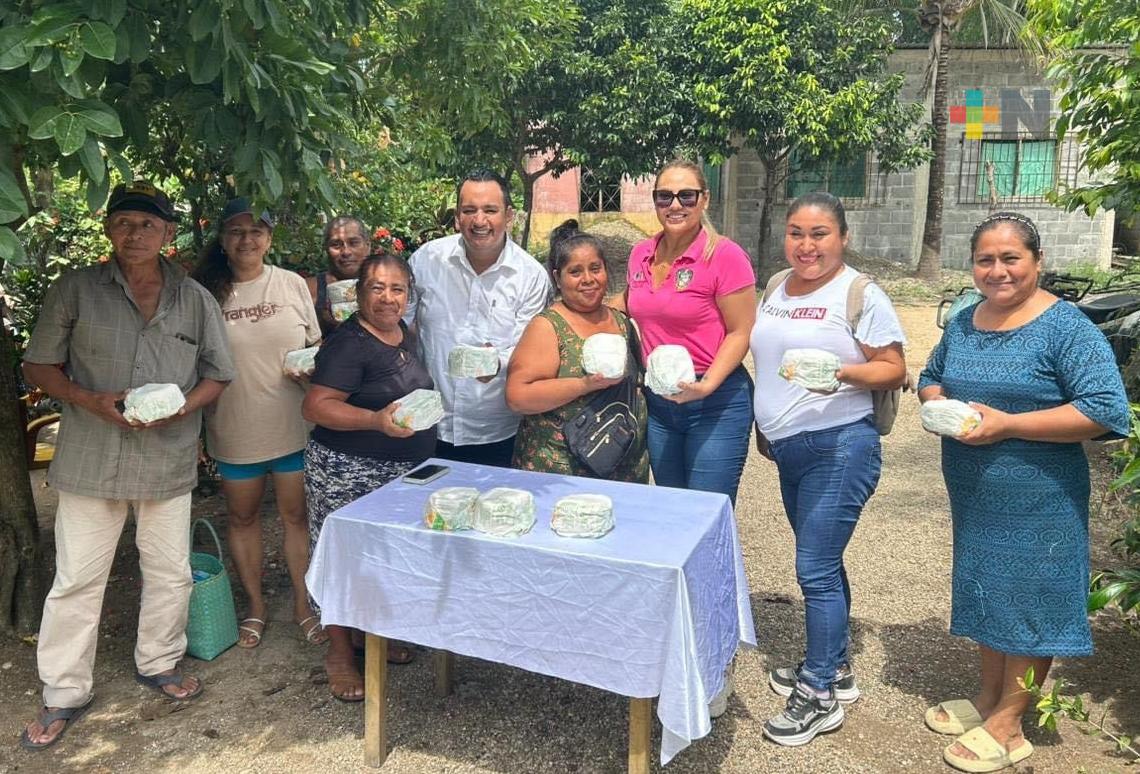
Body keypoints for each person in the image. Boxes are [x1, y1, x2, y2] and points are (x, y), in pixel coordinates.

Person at [19, 181, 235, 750]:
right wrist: (88, 399)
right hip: (92, 456)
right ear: (108, 229)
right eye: (123, 222)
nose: (134, 233)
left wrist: (182, 408)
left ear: (168, 233)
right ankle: (64, 690)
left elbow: (219, 374)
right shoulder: (75, 289)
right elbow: (38, 366)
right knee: (76, 580)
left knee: (169, 571)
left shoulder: (194, 299)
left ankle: (159, 661)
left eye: (148, 224)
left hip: (166, 457)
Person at [918, 212, 1129, 773]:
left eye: (1010, 258)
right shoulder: (965, 320)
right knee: (990, 589)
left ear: (1037, 261)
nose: (998, 271)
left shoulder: (1066, 328)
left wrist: (1009, 425)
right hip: (975, 492)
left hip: (1041, 496)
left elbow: (1105, 410)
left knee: (1032, 598)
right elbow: (931, 375)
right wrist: (938, 402)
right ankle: (990, 698)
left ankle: (1011, 724)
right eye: (985, 260)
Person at [750, 191, 907, 746]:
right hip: (789, 449)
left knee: (814, 568)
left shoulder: (860, 293)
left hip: (840, 446)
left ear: (842, 237)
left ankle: (818, 693)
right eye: (796, 232)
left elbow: (893, 369)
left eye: (819, 234)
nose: (806, 245)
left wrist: (839, 372)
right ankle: (835, 665)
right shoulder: (776, 286)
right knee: (823, 561)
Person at [192, 198, 325, 649]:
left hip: (292, 425)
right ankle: (256, 606)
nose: (246, 239)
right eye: (236, 231)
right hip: (234, 427)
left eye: (256, 231)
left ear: (269, 238)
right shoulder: (203, 293)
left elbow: (315, 346)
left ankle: (303, 605)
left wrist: (310, 368)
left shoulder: (291, 284)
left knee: (296, 517)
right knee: (242, 517)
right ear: (222, 239)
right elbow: (192, 362)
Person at [302, 253, 436, 701]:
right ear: (358, 292)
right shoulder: (348, 343)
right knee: (343, 559)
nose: (387, 297)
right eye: (377, 287)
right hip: (348, 472)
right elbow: (316, 406)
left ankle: (370, 636)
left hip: (398, 474)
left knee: (381, 560)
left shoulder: (402, 332)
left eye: (397, 289)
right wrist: (375, 421)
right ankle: (340, 652)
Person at [617, 159, 756, 504]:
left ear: (704, 199)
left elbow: (741, 332)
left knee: (705, 510)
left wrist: (706, 385)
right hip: (660, 402)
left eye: (686, 196)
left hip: (714, 400)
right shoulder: (641, 254)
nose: (675, 205)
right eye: (664, 196)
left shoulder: (725, 256)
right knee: (673, 510)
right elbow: (626, 303)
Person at [407, 169, 552, 468]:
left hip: (496, 430)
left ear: (509, 216)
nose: (479, 220)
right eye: (469, 210)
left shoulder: (530, 276)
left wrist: (498, 362)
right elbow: (397, 324)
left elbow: (532, 350)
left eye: (490, 210)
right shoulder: (426, 261)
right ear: (457, 217)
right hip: (429, 423)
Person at [505, 220, 648, 482]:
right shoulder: (547, 327)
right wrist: (584, 385)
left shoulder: (621, 321)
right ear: (557, 278)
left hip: (624, 473)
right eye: (575, 272)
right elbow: (518, 397)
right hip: (561, 475)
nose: (588, 280)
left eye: (595, 268)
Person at [306, 215, 371, 336]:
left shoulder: (384, 287)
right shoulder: (308, 290)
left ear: (367, 246)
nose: (346, 252)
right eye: (336, 244)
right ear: (326, 249)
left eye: (354, 243)